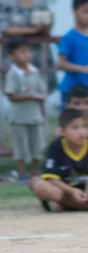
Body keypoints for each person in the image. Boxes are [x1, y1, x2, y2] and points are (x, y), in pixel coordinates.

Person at [30, 108, 88, 212]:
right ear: (62, 131)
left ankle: (69, 206)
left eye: (84, 127)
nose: (81, 132)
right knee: (40, 185)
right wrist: (71, 191)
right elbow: (51, 178)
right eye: (75, 128)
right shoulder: (55, 147)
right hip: (65, 191)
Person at [0, 0, 56, 91]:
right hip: (11, 56)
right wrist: (33, 30)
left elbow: (47, 26)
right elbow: (5, 28)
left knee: (40, 92)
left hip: (37, 56)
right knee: (12, 93)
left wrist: (44, 28)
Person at [4, 38, 46, 181]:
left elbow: (42, 93)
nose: (27, 55)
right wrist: (29, 96)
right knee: (20, 147)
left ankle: (35, 174)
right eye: (22, 52)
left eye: (28, 51)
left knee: (37, 146)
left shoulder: (35, 71)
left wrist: (37, 96)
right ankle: (22, 175)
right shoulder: (13, 73)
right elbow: (11, 95)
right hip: (19, 118)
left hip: (35, 116)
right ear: (12, 56)